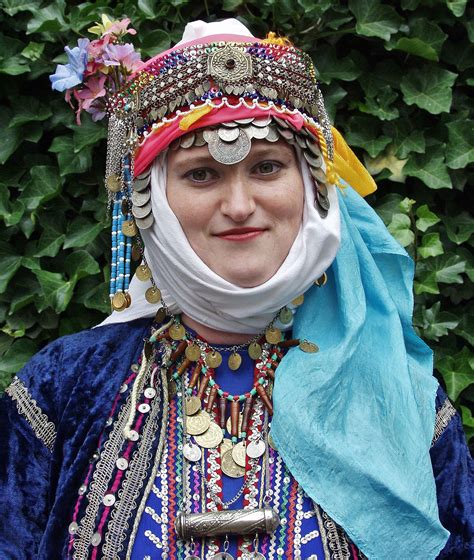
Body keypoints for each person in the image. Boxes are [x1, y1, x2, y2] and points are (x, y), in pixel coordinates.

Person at [1, 18, 472, 560]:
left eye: (268, 167)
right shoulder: (65, 386)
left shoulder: (398, 391)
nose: (241, 206)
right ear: (151, 201)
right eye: (201, 175)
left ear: (314, 189)